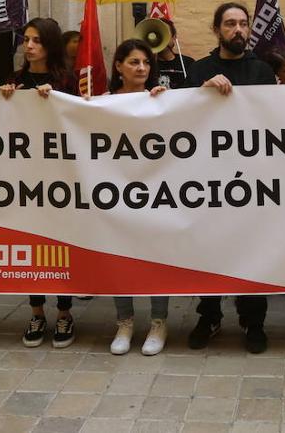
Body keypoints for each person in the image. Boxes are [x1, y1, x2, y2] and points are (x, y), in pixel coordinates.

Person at [187, 2, 277, 354]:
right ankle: (208, 315)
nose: (238, 30)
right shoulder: (199, 71)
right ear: (216, 30)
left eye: (243, 24)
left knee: (253, 251)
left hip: (252, 181)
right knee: (208, 252)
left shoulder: (262, 71)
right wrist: (201, 92)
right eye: (229, 24)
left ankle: (254, 321)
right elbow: (173, 116)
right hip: (208, 181)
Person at [0, 17, 79, 349]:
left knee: (59, 245)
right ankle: (36, 312)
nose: (28, 46)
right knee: (32, 244)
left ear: (50, 46)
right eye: (26, 40)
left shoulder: (67, 81)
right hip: (25, 179)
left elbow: (80, 118)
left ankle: (64, 313)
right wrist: (4, 99)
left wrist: (57, 99)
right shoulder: (14, 81)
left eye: (36, 41)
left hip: (59, 179)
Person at [105, 39, 171, 356]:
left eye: (145, 62)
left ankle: (159, 322)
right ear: (118, 66)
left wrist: (163, 104)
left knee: (156, 257)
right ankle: (124, 322)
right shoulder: (101, 102)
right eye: (133, 62)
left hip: (154, 191)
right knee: (120, 257)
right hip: (115, 193)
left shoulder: (159, 100)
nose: (141, 68)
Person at [155, 18, 196, 89]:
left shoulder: (188, 63)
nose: (160, 38)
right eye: (157, 34)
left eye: (164, 33)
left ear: (174, 38)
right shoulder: (147, 65)